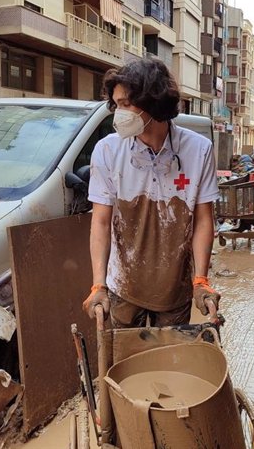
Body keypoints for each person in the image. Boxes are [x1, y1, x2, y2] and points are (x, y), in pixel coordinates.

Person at [82, 58, 221, 328]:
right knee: (124, 363)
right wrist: (98, 284)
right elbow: (100, 221)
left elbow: (204, 219)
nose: (118, 113)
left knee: (168, 365)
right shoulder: (108, 151)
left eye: (125, 104)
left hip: (175, 289)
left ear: (153, 103)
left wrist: (201, 280)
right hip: (123, 286)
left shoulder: (198, 151)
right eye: (116, 104)